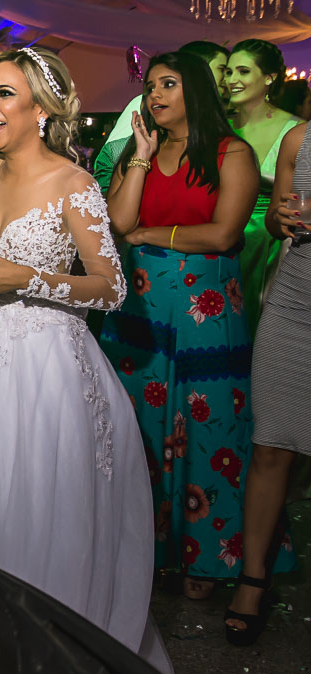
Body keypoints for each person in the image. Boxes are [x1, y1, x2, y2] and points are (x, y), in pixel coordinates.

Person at [0, 47, 172, 674]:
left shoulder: (74, 184)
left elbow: (111, 287)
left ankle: (40, 660)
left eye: (4, 94)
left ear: (41, 108)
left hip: (42, 362)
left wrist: (27, 278)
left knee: (28, 493)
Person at [103, 51, 294, 603]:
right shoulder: (140, 151)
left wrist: (150, 236)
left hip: (204, 313)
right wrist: (140, 159)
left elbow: (223, 234)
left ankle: (209, 556)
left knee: (208, 428)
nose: (155, 94)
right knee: (140, 428)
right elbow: (118, 221)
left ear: (197, 92)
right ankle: (148, 552)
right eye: (150, 86)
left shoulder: (231, 152)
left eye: (168, 84)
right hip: (140, 314)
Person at [224, 122, 309, 645]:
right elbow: (278, 221)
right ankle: (253, 578)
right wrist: (279, 218)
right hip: (295, 301)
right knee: (272, 444)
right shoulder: (300, 140)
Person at [227, 39, 306, 335]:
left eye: (243, 71)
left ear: (269, 78)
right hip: (219, 235)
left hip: (271, 243)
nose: (232, 80)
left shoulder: (295, 131)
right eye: (229, 72)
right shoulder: (219, 127)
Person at [94, 41, 229, 193]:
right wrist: (140, 158)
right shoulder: (146, 114)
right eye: (223, 70)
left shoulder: (228, 148)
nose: (228, 79)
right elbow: (112, 158)